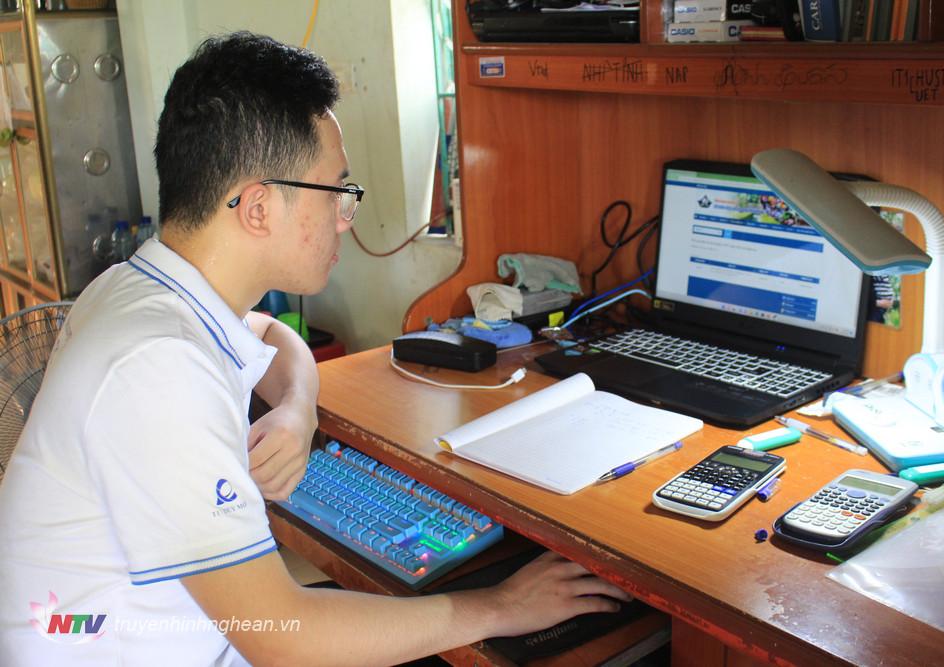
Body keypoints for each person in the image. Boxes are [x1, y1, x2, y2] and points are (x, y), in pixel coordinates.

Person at [0, 32, 629, 666]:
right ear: (258, 207)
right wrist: (501, 606)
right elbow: (283, 639)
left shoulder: (138, 288)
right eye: (338, 193)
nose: (345, 220)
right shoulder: (157, 365)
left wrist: (297, 410)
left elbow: (271, 336)